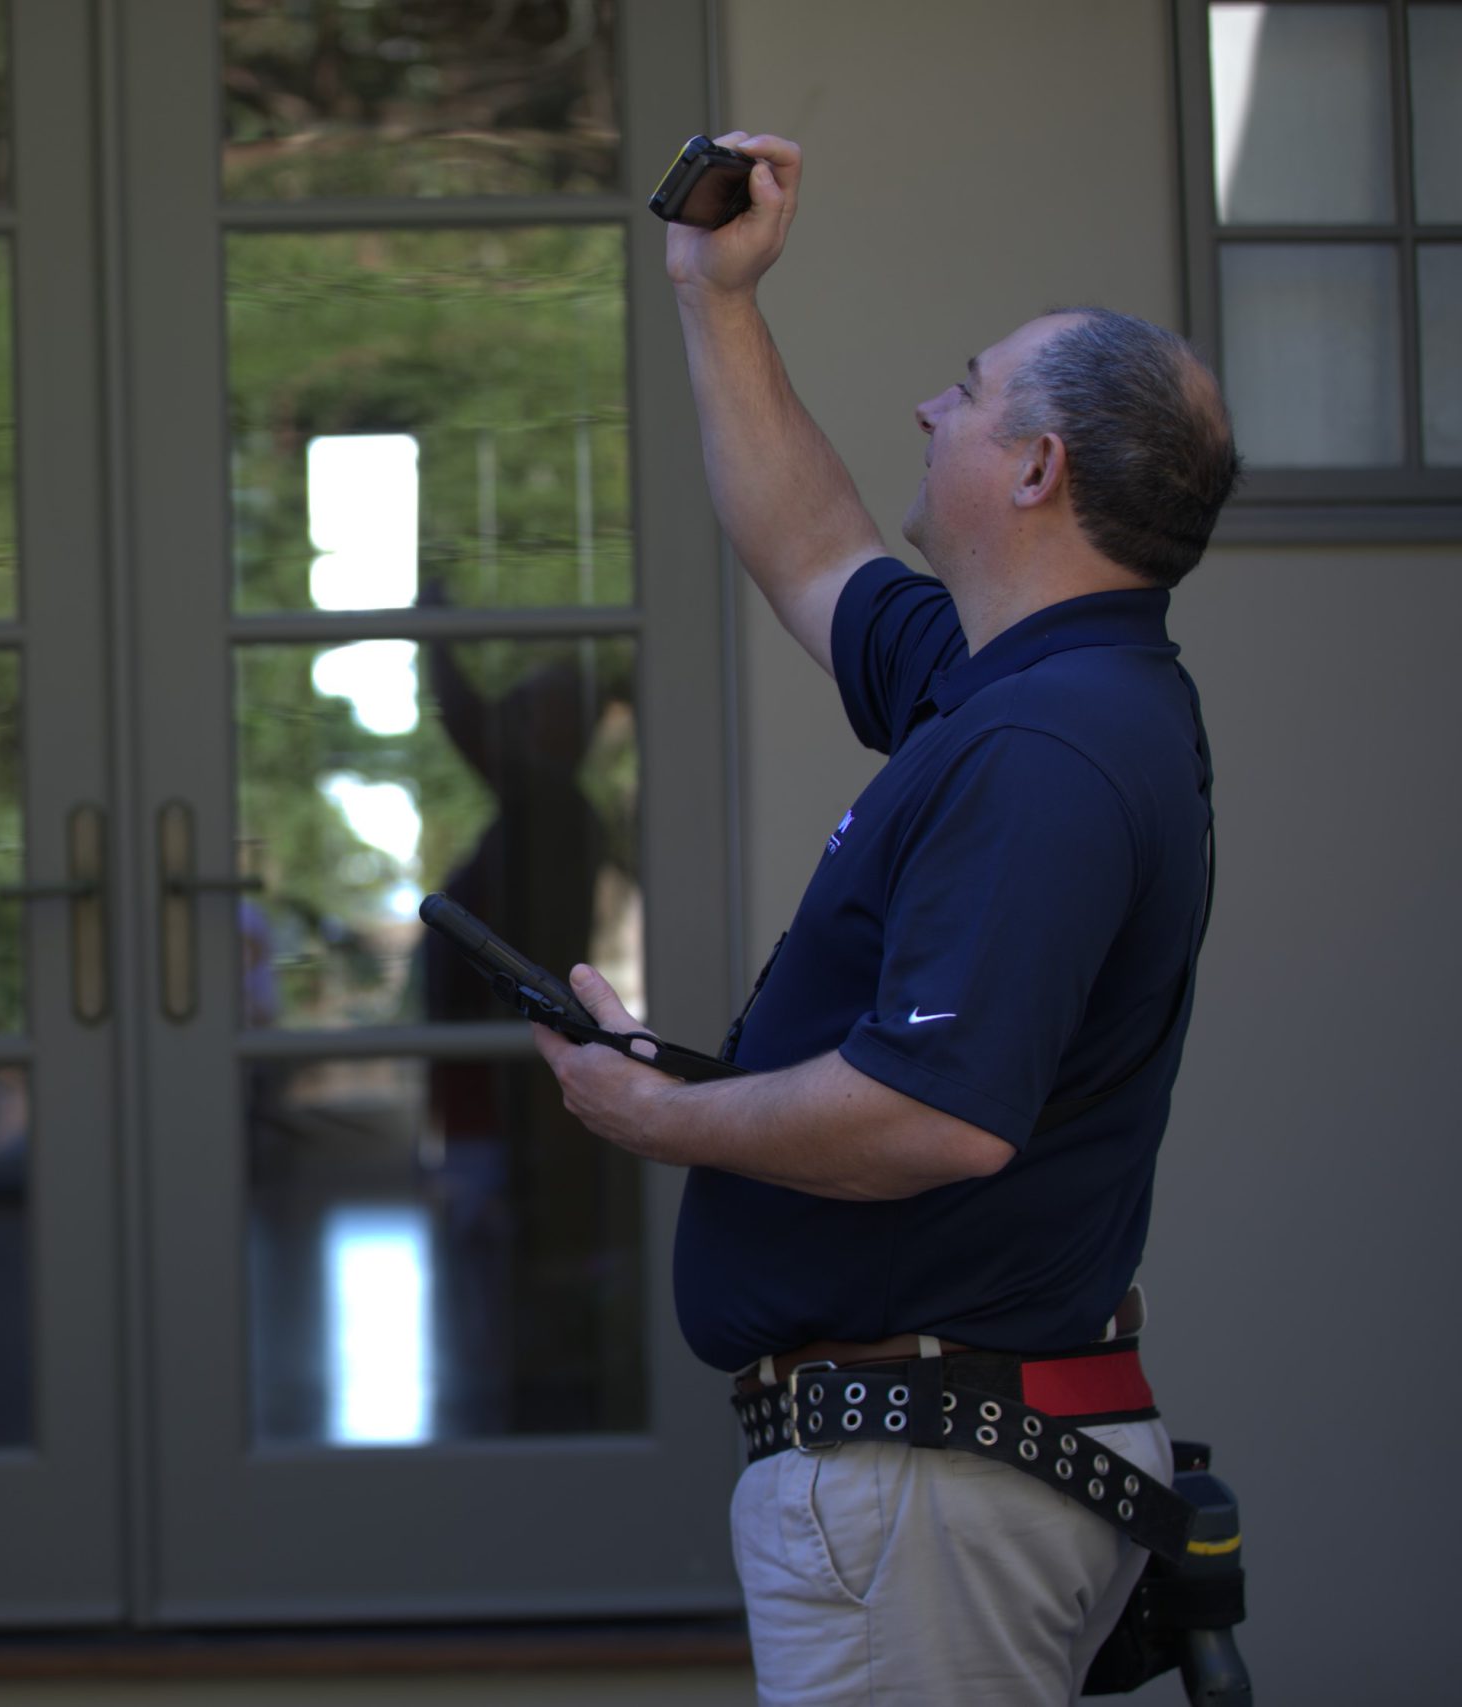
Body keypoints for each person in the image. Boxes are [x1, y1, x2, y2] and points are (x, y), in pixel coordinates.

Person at [531, 132, 1239, 1704]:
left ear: (1038, 467)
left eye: (968, 388)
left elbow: (933, 1118)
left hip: (926, 1480)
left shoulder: (1047, 752)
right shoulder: (1028, 688)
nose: (928, 406)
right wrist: (716, 297)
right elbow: (813, 549)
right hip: (942, 1463)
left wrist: (660, 1115)